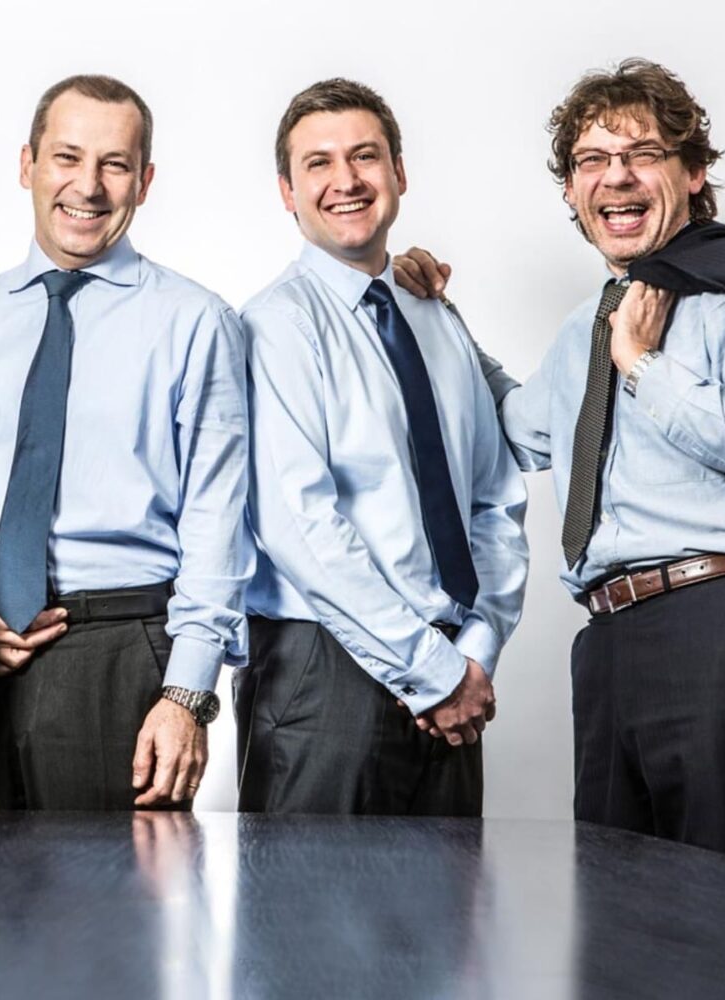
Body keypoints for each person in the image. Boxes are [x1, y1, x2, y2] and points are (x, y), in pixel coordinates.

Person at [396, 58, 725, 871]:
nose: (616, 177)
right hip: (609, 644)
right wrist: (440, 317)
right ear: (572, 192)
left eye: (640, 153)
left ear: (693, 173)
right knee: (622, 932)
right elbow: (517, 432)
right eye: (591, 161)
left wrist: (644, 364)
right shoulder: (586, 329)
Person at [0, 74, 252, 810]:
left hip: (119, 649)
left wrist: (187, 692)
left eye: (115, 164)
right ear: (27, 165)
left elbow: (218, 519)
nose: (89, 186)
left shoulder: (195, 323)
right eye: (67, 157)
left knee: (105, 915)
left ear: (145, 180)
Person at [236, 79, 528, 816]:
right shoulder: (275, 328)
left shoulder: (435, 316)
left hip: (453, 668)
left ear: (399, 173)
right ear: (285, 190)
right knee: (313, 923)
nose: (346, 181)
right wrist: (433, 670)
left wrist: (477, 649)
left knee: (448, 925)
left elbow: (493, 498)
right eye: (318, 163)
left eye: (365, 156)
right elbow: (300, 524)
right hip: (323, 674)